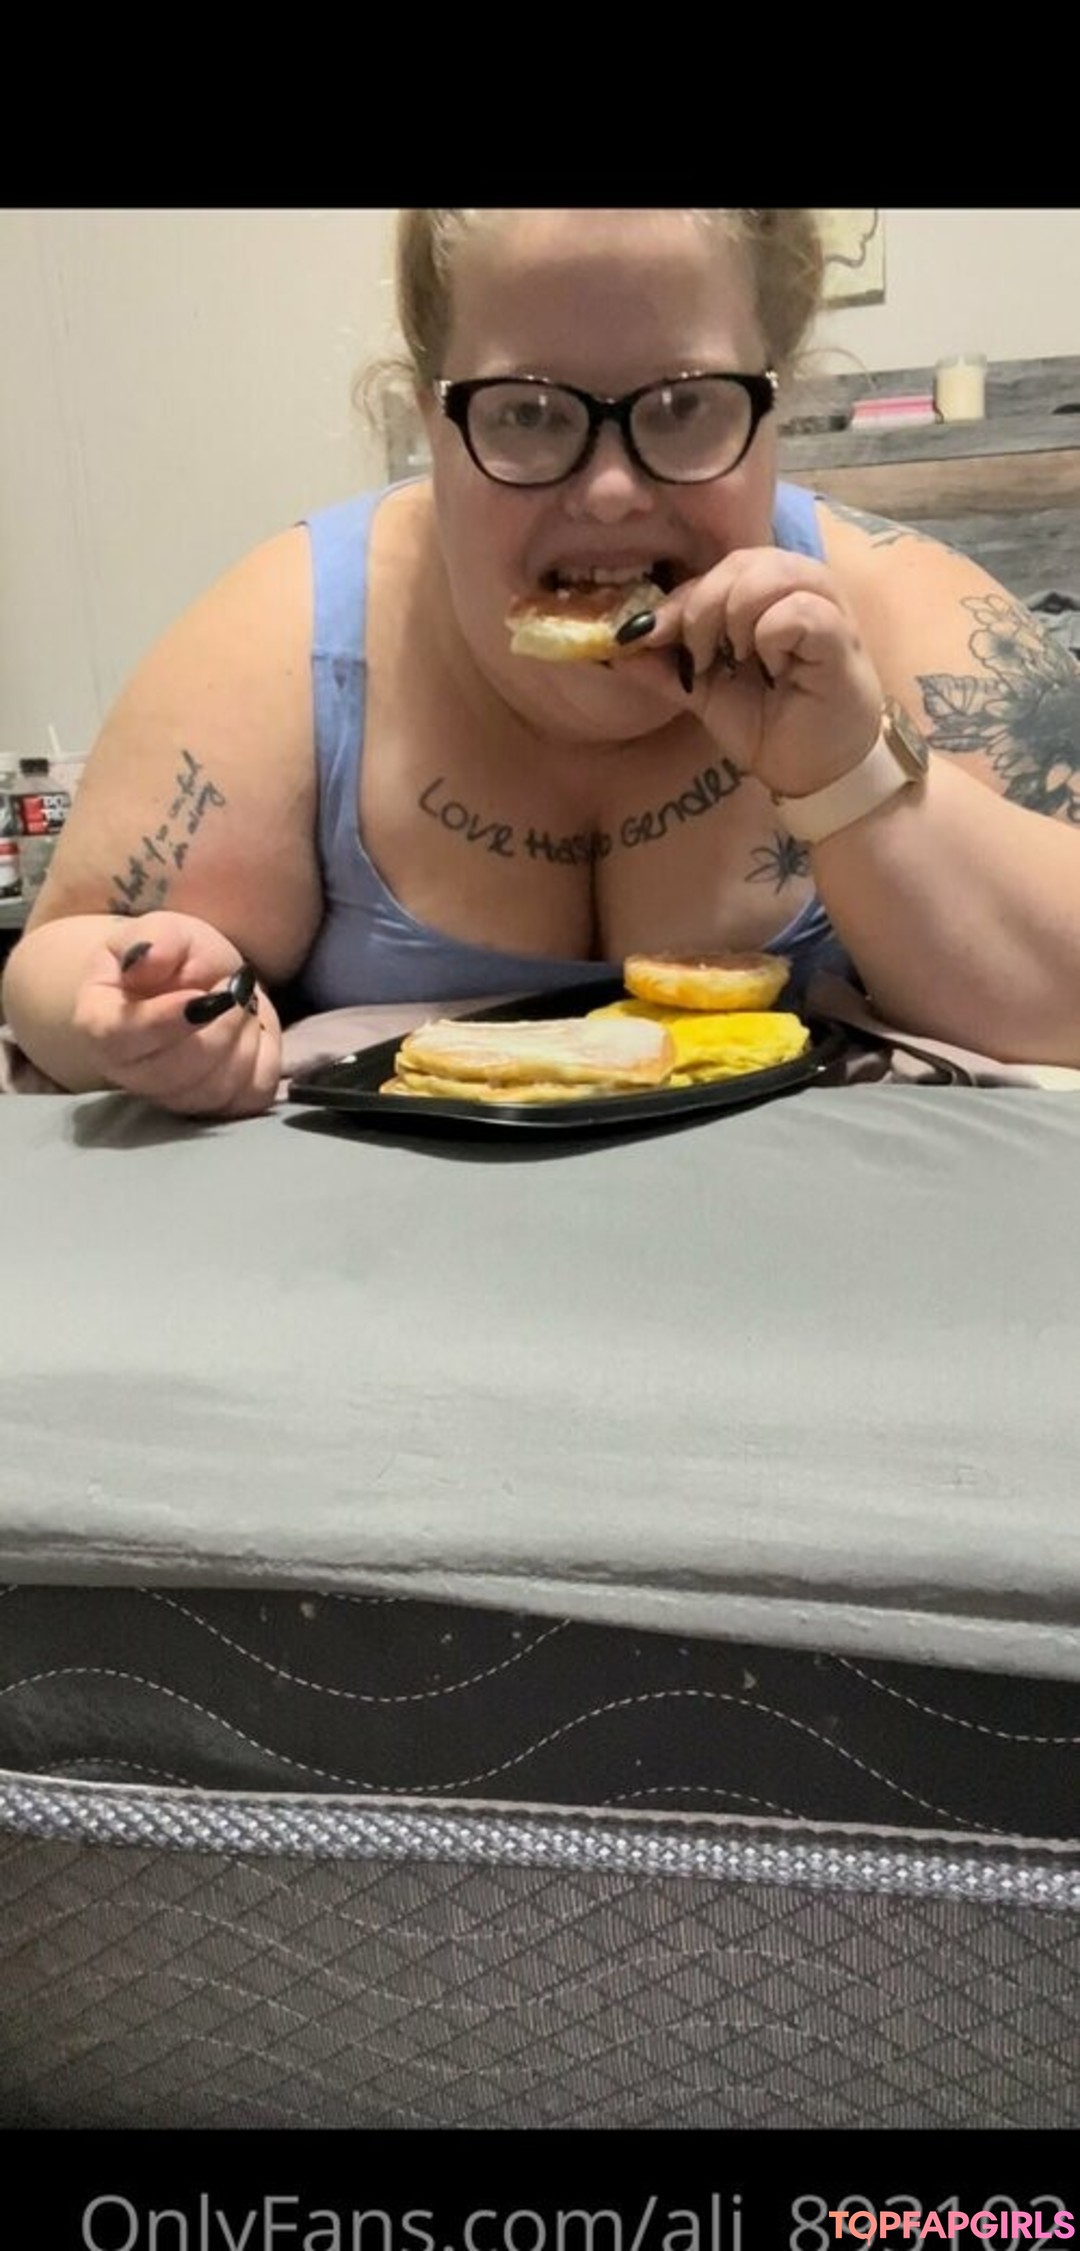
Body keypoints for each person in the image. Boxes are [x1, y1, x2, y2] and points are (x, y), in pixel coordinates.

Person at [5, 206, 1080, 1117]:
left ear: (774, 404)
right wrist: (139, 1012)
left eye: (685, 405)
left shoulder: (904, 618)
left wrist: (853, 779)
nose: (609, 491)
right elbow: (53, 976)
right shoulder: (285, 643)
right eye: (525, 412)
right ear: (430, 419)